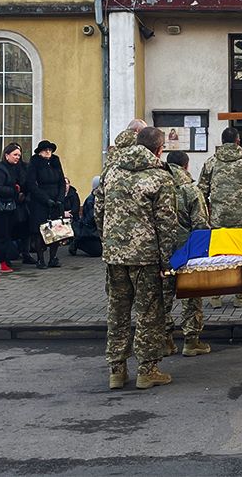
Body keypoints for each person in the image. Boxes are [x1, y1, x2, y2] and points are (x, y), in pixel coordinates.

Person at [94, 126, 178, 390]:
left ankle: (117, 371)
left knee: (117, 311)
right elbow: (166, 223)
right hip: (146, 256)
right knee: (148, 313)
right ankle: (147, 369)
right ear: (159, 149)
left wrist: (108, 242)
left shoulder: (112, 172)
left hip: (115, 254)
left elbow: (98, 211)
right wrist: (168, 261)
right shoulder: (160, 176)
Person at [198, 126, 242, 308]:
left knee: (219, 256)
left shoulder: (211, 162)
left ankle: (216, 296)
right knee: (241, 256)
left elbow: (201, 190)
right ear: (238, 141)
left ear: (222, 141)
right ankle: (241, 296)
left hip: (218, 218)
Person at [165, 151, 213, 358]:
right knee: (191, 296)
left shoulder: (158, 186)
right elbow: (201, 226)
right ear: (186, 166)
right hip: (187, 252)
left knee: (161, 297)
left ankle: (165, 341)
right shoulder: (190, 191)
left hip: (161, 252)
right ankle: (191, 341)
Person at [0, 143, 28, 274]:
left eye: (19, 155)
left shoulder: (15, 168)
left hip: (10, 206)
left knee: (10, 232)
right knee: (1, 234)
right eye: (15, 155)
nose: (17, 158)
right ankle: (1, 262)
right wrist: (14, 190)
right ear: (6, 155)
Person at [27, 140, 67, 269]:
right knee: (41, 230)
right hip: (40, 200)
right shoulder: (35, 162)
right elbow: (32, 184)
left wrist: (60, 198)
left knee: (56, 230)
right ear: (40, 152)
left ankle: (53, 258)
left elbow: (62, 181)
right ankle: (40, 259)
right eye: (45, 150)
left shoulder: (55, 161)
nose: (48, 152)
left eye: (50, 150)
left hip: (56, 199)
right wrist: (45, 199)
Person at [72, 176, 103, 258]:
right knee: (97, 252)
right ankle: (78, 242)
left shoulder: (100, 198)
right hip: (90, 231)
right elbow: (91, 218)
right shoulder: (91, 200)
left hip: (98, 230)